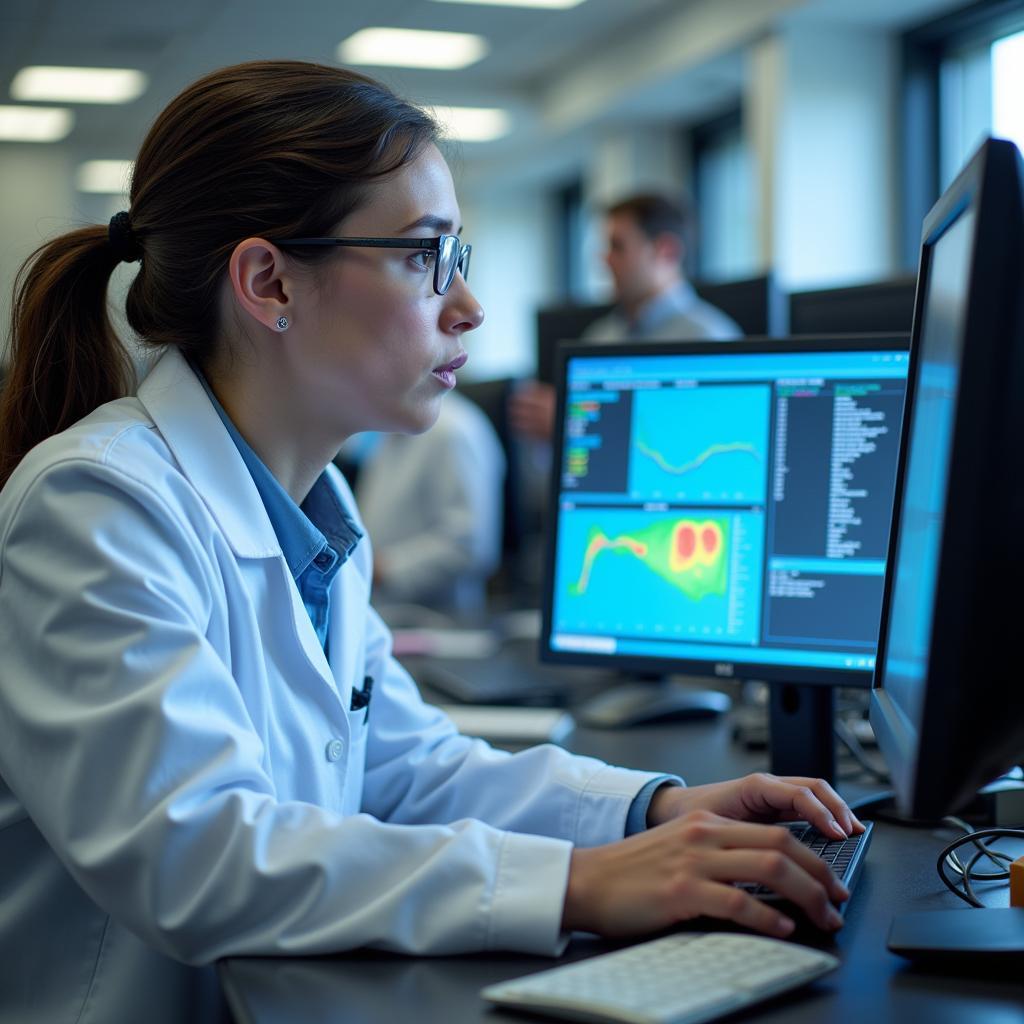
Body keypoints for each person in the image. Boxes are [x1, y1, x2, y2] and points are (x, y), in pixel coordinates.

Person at [0, 61, 860, 1024]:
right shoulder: (98, 503)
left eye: (460, 256)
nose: (468, 308)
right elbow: (196, 857)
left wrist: (654, 810)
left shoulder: (313, 505)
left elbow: (408, 767)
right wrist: (577, 882)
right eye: (423, 256)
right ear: (268, 280)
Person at [509, 192, 742, 442]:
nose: (604, 259)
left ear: (666, 251)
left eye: (617, 246)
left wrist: (572, 424)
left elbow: (699, 441)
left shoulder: (711, 340)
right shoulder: (600, 337)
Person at [352, 387, 506, 616]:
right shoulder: (392, 425)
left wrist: (383, 569)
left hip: (438, 623)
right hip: (384, 613)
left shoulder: (452, 431)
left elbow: (470, 547)